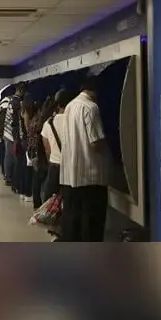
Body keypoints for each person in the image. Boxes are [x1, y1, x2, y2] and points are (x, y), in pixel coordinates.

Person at [60, 77, 111, 242]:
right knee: (92, 224)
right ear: (95, 91)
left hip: (71, 176)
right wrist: (110, 156)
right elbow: (96, 142)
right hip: (91, 177)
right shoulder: (91, 107)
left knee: (74, 222)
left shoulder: (70, 106)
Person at [3, 84, 24, 192]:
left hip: (7, 133)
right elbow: (15, 122)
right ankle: (13, 180)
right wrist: (17, 137)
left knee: (9, 156)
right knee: (15, 158)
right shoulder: (16, 102)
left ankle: (8, 177)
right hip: (12, 135)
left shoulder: (11, 101)